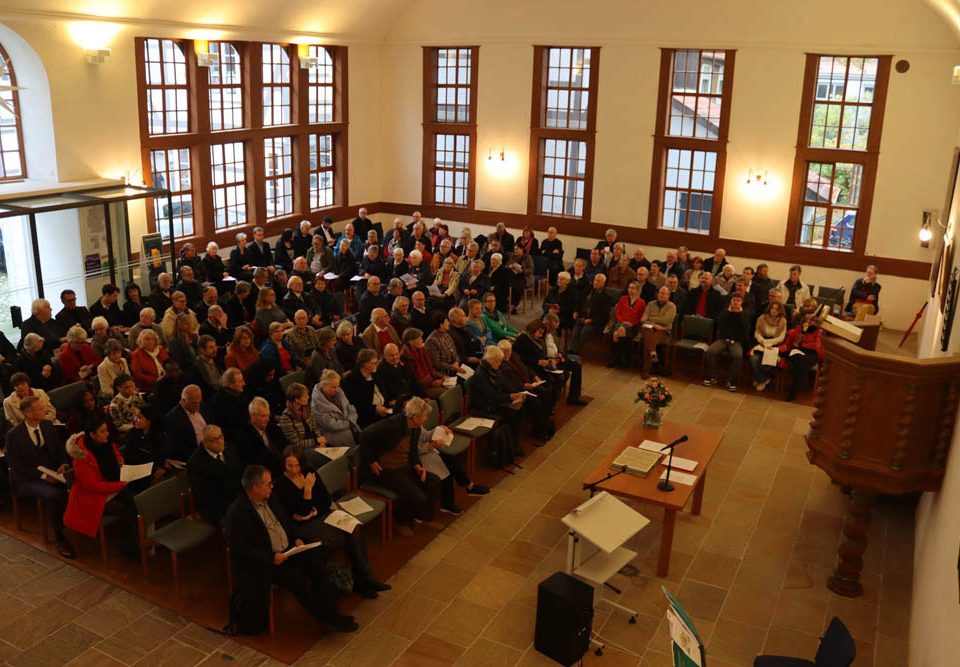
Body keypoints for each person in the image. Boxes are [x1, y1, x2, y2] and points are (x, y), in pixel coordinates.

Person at [223, 465, 358, 635]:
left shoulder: (270, 498)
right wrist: (271, 557)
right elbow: (241, 548)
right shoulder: (238, 514)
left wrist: (295, 537)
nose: (272, 486)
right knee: (298, 580)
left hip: (289, 549)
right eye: (268, 484)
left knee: (316, 565)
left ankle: (332, 613)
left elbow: (285, 520)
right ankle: (326, 617)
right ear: (255, 488)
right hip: (268, 562)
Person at [275, 448, 391, 598]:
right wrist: (308, 492)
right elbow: (298, 514)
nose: (294, 470)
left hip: (323, 515)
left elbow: (324, 500)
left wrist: (312, 510)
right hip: (305, 528)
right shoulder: (281, 485)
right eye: (289, 466)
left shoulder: (309, 471)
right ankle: (356, 582)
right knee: (344, 538)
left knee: (355, 528)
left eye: (297, 466)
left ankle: (366, 579)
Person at [359, 397, 443, 537]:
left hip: (405, 466)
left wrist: (417, 465)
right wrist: (371, 461)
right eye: (424, 416)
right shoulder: (392, 424)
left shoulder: (415, 428)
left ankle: (425, 518)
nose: (426, 418)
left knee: (433, 481)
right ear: (415, 416)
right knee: (417, 496)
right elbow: (364, 436)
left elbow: (412, 451)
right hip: (387, 470)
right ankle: (400, 521)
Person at [4, 396, 75, 558]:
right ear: (29, 414)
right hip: (28, 479)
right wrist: (43, 476)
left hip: (52, 471)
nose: (46, 410)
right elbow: (18, 467)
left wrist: (63, 464)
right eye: (41, 408)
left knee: (73, 483)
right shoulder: (14, 436)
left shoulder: (48, 425)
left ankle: (73, 522)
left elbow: (59, 450)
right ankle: (59, 537)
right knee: (52, 494)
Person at [64, 416, 139, 559]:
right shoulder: (81, 457)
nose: (107, 434)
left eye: (107, 431)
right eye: (103, 432)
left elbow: (113, 452)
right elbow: (92, 486)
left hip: (110, 485)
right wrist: (119, 485)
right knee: (130, 507)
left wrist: (118, 458)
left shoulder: (104, 443)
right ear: (92, 435)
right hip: (91, 497)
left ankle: (135, 542)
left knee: (134, 499)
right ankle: (131, 546)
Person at [497, 340, 555, 443]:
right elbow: (506, 383)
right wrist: (523, 386)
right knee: (535, 401)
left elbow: (527, 368)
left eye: (508, 351)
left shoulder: (515, 356)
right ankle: (539, 430)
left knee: (545, 393)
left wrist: (534, 376)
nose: (506, 354)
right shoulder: (500, 364)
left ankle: (544, 424)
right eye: (504, 352)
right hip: (519, 389)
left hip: (529, 383)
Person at [278, 383, 331, 469]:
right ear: (296, 400)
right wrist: (316, 441)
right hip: (301, 450)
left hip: (315, 442)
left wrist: (320, 440)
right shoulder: (286, 418)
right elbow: (296, 444)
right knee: (326, 457)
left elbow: (314, 427)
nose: (308, 397)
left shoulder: (306, 409)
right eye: (305, 396)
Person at [703, 293, 750, 392]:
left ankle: (732, 380)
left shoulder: (745, 314)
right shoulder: (725, 312)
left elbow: (745, 329)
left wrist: (739, 313)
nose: (736, 302)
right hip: (723, 339)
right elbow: (719, 321)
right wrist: (728, 311)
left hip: (736, 341)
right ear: (731, 301)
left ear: (741, 302)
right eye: (734, 300)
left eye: (738, 300)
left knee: (738, 356)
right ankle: (712, 376)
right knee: (711, 351)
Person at [782, 300, 824, 402]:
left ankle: (792, 392)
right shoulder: (799, 328)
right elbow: (796, 343)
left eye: (811, 316)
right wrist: (803, 332)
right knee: (800, 362)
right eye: (807, 316)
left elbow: (816, 346)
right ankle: (804, 383)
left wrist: (803, 344)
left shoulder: (818, 330)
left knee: (800, 365)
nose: (809, 318)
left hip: (811, 354)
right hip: (797, 351)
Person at [541, 313, 587, 405]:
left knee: (576, 366)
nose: (553, 330)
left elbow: (559, 345)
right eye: (552, 328)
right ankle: (552, 400)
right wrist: (551, 359)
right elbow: (540, 352)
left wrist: (560, 354)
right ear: (546, 324)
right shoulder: (540, 334)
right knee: (562, 375)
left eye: (555, 328)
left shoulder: (553, 333)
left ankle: (574, 397)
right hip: (549, 361)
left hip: (558, 359)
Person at [163, 384, 212, 463]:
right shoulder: (173, 419)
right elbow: (178, 447)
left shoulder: (202, 406)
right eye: (194, 403)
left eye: (199, 402)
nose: (197, 406)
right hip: (194, 456)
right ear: (183, 400)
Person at [235, 397, 285, 473]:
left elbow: (284, 445)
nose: (267, 419)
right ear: (252, 416)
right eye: (263, 416)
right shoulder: (244, 435)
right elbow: (251, 462)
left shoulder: (272, 427)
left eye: (268, 415)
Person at [311, 370, 360, 446]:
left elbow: (350, 408)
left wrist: (351, 420)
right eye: (333, 387)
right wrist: (349, 423)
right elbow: (331, 425)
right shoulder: (316, 404)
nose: (336, 389)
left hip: (349, 425)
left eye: (338, 386)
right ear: (324, 385)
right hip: (333, 434)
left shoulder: (339, 391)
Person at [749, 301, 788, 391]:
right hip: (761, 343)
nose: (774, 311)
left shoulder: (783, 321)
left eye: (776, 309)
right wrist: (762, 341)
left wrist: (768, 343)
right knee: (754, 358)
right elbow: (757, 332)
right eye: (772, 308)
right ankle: (763, 379)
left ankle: (759, 378)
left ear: (780, 311)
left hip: (774, 345)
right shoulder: (761, 318)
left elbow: (781, 338)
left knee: (767, 364)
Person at [569, 273, 612, 355]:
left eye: (599, 281)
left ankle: (576, 351)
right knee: (576, 328)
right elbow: (579, 301)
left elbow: (604, 315)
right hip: (583, 317)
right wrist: (576, 311)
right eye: (595, 280)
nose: (596, 282)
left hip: (595, 322)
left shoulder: (606, 297)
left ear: (603, 283)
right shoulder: (588, 290)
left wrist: (591, 320)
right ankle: (572, 349)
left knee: (585, 330)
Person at [640, 286, 677, 376]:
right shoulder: (650, 304)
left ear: (668, 296)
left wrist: (651, 319)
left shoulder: (671, 306)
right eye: (660, 293)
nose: (661, 295)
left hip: (664, 331)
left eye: (664, 293)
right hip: (650, 328)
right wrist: (655, 325)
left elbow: (666, 321)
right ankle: (653, 353)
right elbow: (643, 319)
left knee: (648, 341)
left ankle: (646, 370)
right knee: (647, 330)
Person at [401, 328, 446, 398]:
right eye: (419, 339)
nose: (422, 340)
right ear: (410, 342)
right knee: (446, 392)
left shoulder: (421, 350)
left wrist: (442, 377)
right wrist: (432, 383)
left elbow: (431, 369)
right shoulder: (406, 357)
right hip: (421, 389)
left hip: (430, 382)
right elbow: (415, 381)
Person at [609, 280, 645, 368]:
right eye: (629, 287)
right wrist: (622, 322)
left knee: (618, 334)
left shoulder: (641, 302)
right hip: (620, 323)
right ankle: (620, 360)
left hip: (633, 325)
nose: (630, 290)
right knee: (617, 333)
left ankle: (620, 360)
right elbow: (617, 312)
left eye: (633, 288)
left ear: (637, 290)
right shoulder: (623, 298)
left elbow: (640, 317)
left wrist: (631, 323)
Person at [424, 312, 463, 377]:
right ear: (441, 325)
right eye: (447, 321)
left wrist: (456, 362)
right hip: (442, 374)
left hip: (454, 369)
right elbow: (436, 363)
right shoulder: (431, 341)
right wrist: (451, 367)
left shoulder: (447, 335)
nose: (449, 323)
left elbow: (455, 352)